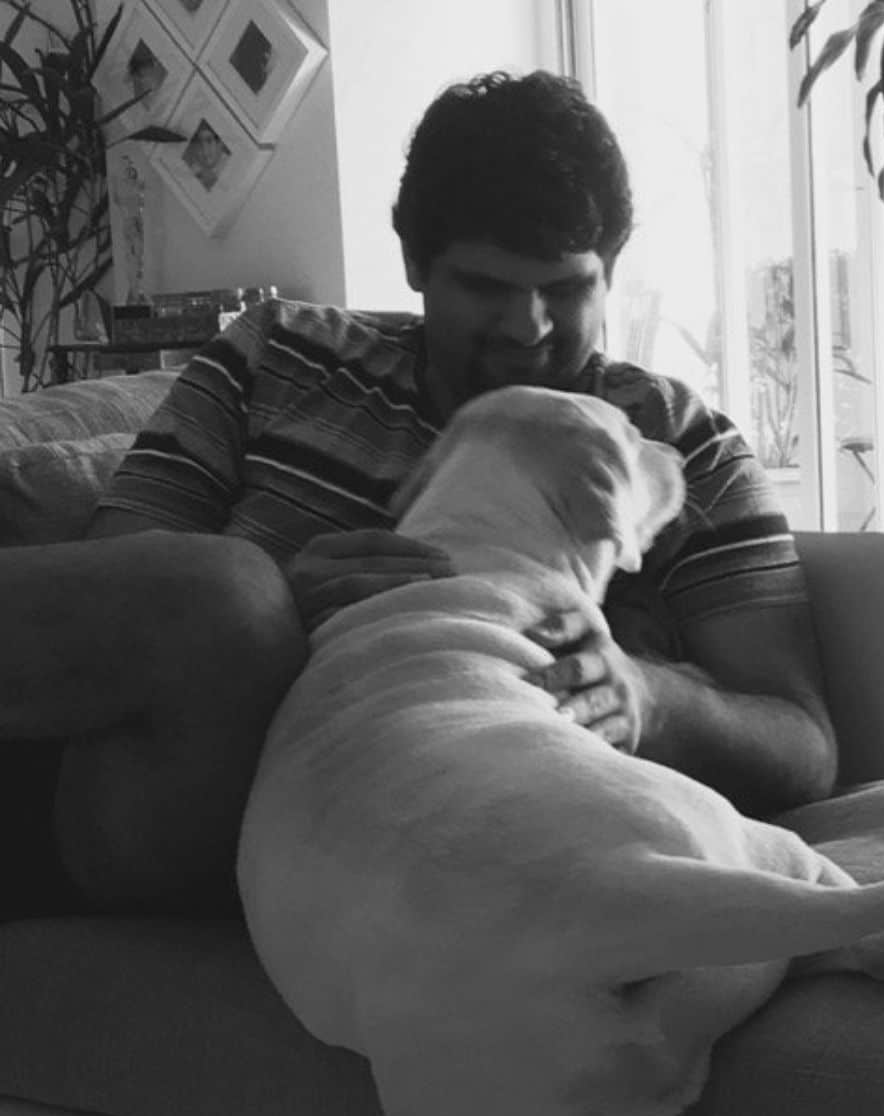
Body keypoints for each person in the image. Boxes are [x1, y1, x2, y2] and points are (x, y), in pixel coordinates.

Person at [3, 69, 835, 919]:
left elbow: (803, 743)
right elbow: (114, 595)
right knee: (228, 596)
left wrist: (651, 699)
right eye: (487, 288)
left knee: (225, 597)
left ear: (610, 272)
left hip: (366, 825)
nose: (529, 328)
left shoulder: (671, 443)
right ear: (413, 261)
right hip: (150, 766)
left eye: (566, 288)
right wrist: (279, 609)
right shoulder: (276, 356)